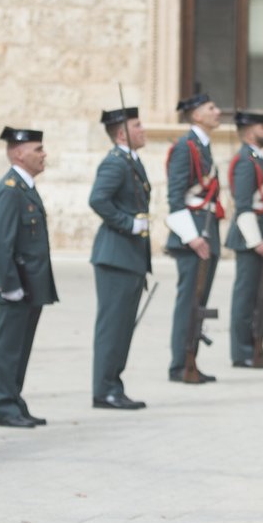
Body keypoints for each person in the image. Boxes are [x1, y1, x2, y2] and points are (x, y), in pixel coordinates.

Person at [0, 126, 56, 427]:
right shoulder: (10, 188)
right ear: (18, 153)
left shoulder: (25, 187)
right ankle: (3, 405)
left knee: (21, 347)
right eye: (37, 149)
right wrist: (10, 284)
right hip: (16, 284)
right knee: (8, 347)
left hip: (31, 284)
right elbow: (0, 241)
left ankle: (14, 398)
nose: (43, 155)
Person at [88, 105, 152, 410]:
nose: (143, 129)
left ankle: (114, 384)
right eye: (137, 125)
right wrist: (128, 223)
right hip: (116, 256)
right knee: (112, 327)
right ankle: (105, 390)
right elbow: (98, 199)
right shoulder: (116, 163)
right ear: (121, 134)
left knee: (123, 327)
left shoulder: (131, 161)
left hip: (130, 256)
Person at [166, 90, 224, 384]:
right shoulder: (185, 147)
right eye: (211, 108)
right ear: (197, 115)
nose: (218, 112)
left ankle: (191, 361)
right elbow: (175, 197)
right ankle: (180, 364)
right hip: (194, 236)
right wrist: (192, 237)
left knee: (198, 302)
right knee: (189, 302)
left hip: (206, 230)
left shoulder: (202, 146)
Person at [227, 110, 263, 369]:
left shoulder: (255, 159)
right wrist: (257, 241)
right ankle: (242, 351)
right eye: (262, 127)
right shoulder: (246, 161)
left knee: (257, 295)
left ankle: (253, 348)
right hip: (251, 237)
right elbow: (243, 206)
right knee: (246, 296)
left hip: (261, 230)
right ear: (250, 132)